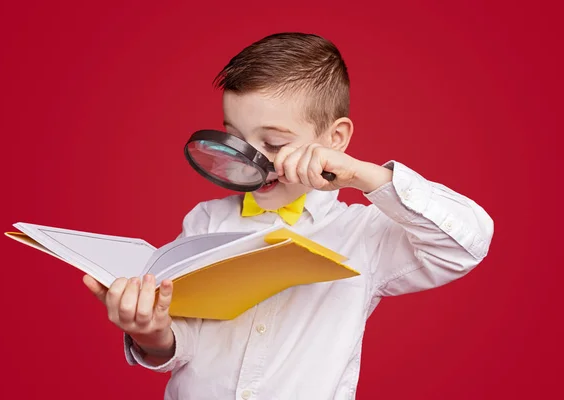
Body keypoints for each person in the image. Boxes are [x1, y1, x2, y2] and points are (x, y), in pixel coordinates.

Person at [83, 32, 494, 399]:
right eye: (236, 140)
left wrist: (364, 173)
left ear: (335, 140)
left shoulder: (361, 235)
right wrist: (151, 334)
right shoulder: (205, 221)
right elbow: (181, 346)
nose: (251, 160)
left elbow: (464, 244)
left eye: (275, 143)